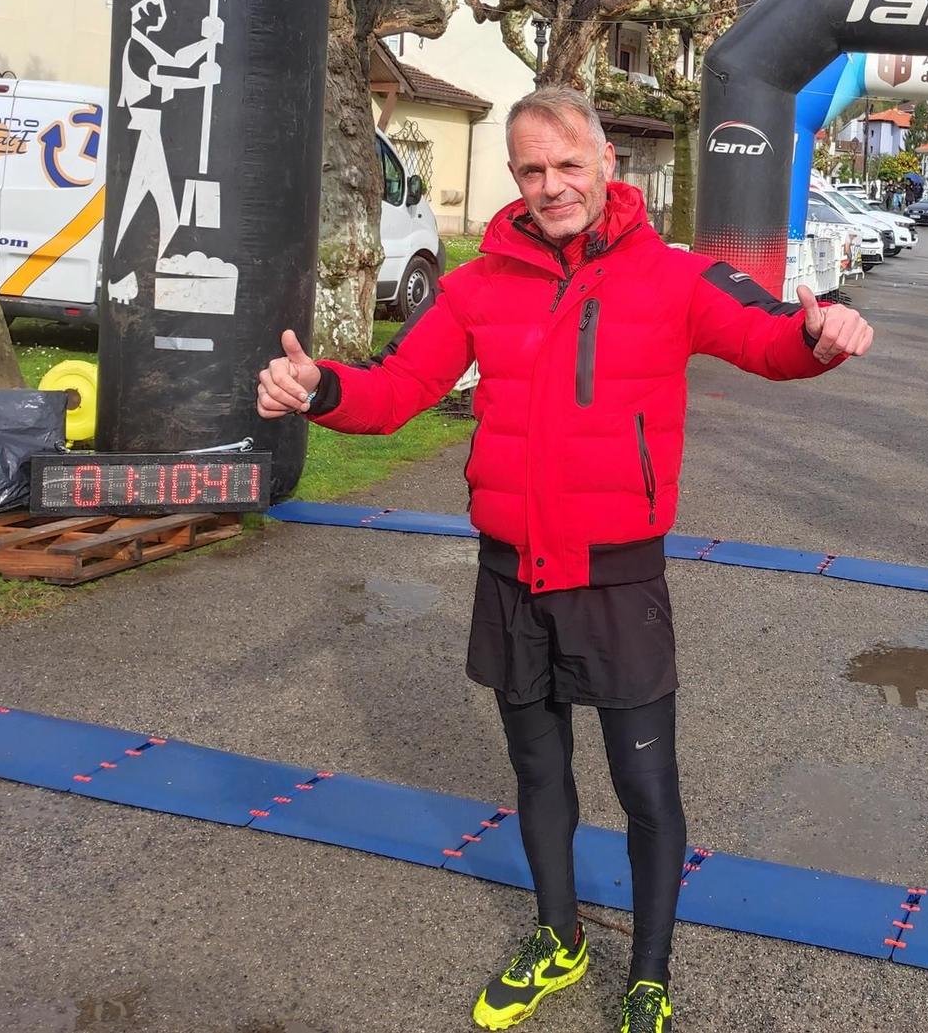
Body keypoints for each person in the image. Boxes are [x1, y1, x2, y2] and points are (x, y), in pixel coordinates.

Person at [257, 87, 874, 1033]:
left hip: (618, 577)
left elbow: (765, 336)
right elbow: (396, 390)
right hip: (513, 572)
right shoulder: (474, 285)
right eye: (532, 170)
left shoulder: (673, 274)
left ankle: (651, 976)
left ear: (605, 165)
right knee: (539, 775)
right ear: (516, 178)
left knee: (645, 790)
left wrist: (819, 333)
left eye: (567, 166)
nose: (552, 187)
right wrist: (319, 386)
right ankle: (559, 937)